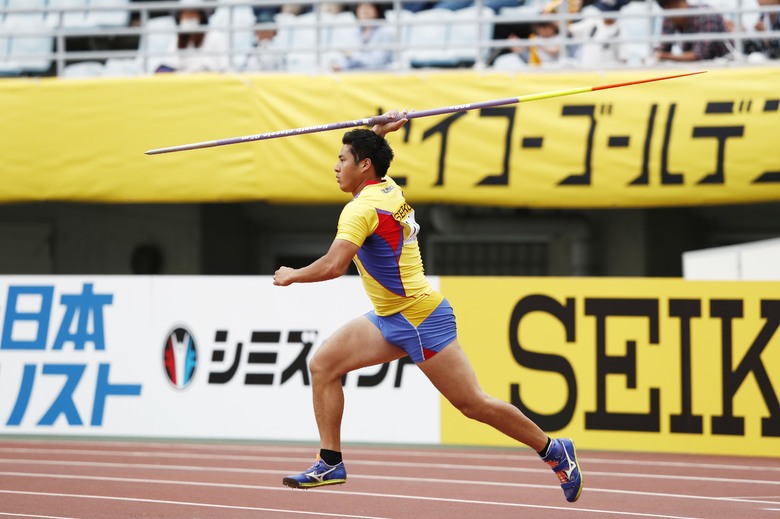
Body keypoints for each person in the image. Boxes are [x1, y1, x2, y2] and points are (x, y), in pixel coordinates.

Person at [273, 110, 584, 503]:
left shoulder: (361, 209)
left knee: (473, 404)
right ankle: (330, 461)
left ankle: (554, 450)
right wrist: (378, 133)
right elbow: (376, 162)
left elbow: (335, 266)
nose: (335, 167)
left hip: (420, 318)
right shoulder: (385, 186)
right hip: (391, 316)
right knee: (323, 365)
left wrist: (293, 274)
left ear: (363, 165)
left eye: (342, 159)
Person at [155, 0, 230, 73]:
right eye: (185, 14)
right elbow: (170, 63)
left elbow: (224, 67)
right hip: (185, 82)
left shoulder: (214, 36)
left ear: (201, 17)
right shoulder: (179, 38)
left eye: (192, 14)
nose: (188, 18)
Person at [655, 0, 733, 61]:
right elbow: (661, 49)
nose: (674, 12)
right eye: (668, 8)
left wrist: (665, 56)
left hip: (725, 63)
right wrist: (660, 55)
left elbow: (700, 55)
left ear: (685, 1)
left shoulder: (706, 14)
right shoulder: (669, 18)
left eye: (675, 5)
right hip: (696, 69)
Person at [330, 2, 396, 71]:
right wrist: (339, 65)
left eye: (368, 7)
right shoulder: (355, 31)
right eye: (361, 7)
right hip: (358, 76)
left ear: (377, 10)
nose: (364, 11)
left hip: (380, 76)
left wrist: (352, 55)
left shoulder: (385, 32)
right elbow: (350, 60)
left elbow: (378, 62)